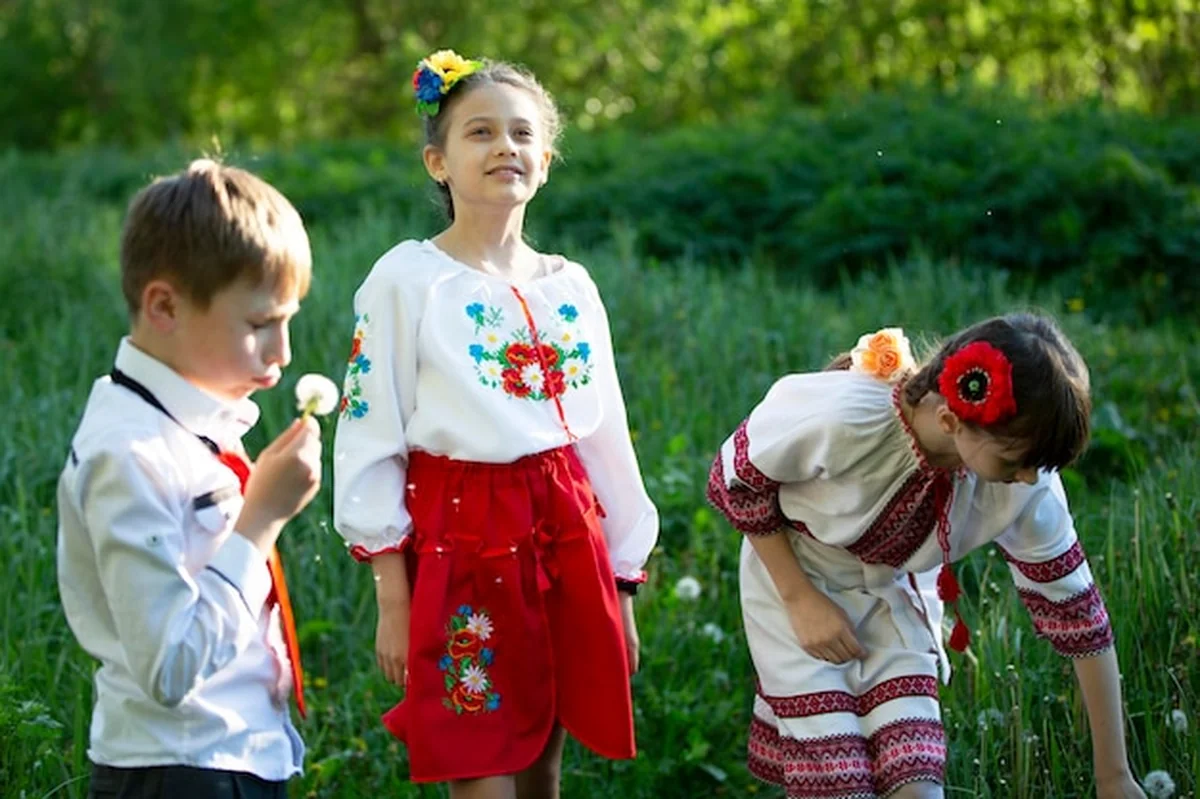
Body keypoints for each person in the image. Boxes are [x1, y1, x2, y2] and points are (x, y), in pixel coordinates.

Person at [332, 51, 658, 798]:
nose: (504, 147)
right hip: (461, 531)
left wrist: (623, 578)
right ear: (438, 162)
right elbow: (369, 428)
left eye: (521, 134)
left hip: (564, 527)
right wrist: (393, 596)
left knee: (544, 753)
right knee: (477, 755)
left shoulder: (570, 284)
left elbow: (605, 433)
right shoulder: (406, 279)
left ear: (545, 161)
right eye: (480, 132)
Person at [707, 315, 1145, 798]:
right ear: (950, 420)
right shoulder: (847, 419)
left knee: (917, 784)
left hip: (894, 598)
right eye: (1013, 461)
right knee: (838, 782)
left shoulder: (1024, 485)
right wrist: (799, 599)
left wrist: (1114, 776)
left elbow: (1077, 613)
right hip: (795, 581)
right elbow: (738, 480)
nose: (1026, 478)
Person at [57, 159, 322, 799]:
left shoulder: (195, 422)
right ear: (165, 306)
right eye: (260, 324)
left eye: (288, 322)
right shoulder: (129, 453)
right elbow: (168, 667)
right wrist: (259, 521)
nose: (283, 352)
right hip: (176, 769)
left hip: (236, 755)